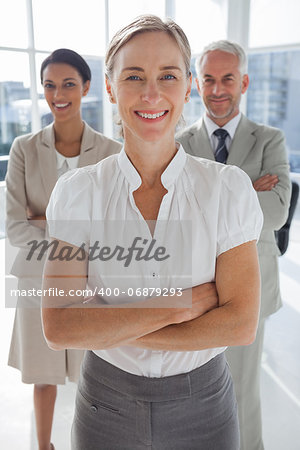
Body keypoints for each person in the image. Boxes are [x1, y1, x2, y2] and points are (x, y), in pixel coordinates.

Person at [42, 17, 263, 450]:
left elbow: (239, 324)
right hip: (105, 404)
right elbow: (60, 327)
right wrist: (180, 305)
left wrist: (106, 324)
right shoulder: (77, 192)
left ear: (187, 88)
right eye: (133, 76)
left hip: (204, 407)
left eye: (167, 75)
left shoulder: (227, 189)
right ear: (109, 88)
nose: (150, 93)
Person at [176, 40, 291, 450]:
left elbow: (276, 212)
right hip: (195, 287)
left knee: (242, 390)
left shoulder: (270, 140)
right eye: (208, 78)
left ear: (243, 81)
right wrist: (245, 191)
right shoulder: (181, 143)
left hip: (251, 287)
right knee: (192, 390)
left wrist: (206, 202)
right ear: (195, 84)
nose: (218, 88)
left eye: (228, 78)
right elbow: (174, 219)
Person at [6, 48, 122, 450]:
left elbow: (112, 230)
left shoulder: (109, 152)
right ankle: (43, 446)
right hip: (37, 281)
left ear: (86, 87)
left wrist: (43, 221)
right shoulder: (23, 148)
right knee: (44, 376)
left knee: (98, 371)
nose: (59, 93)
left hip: (92, 285)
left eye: (68, 84)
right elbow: (15, 226)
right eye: (50, 85)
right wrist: (73, 238)